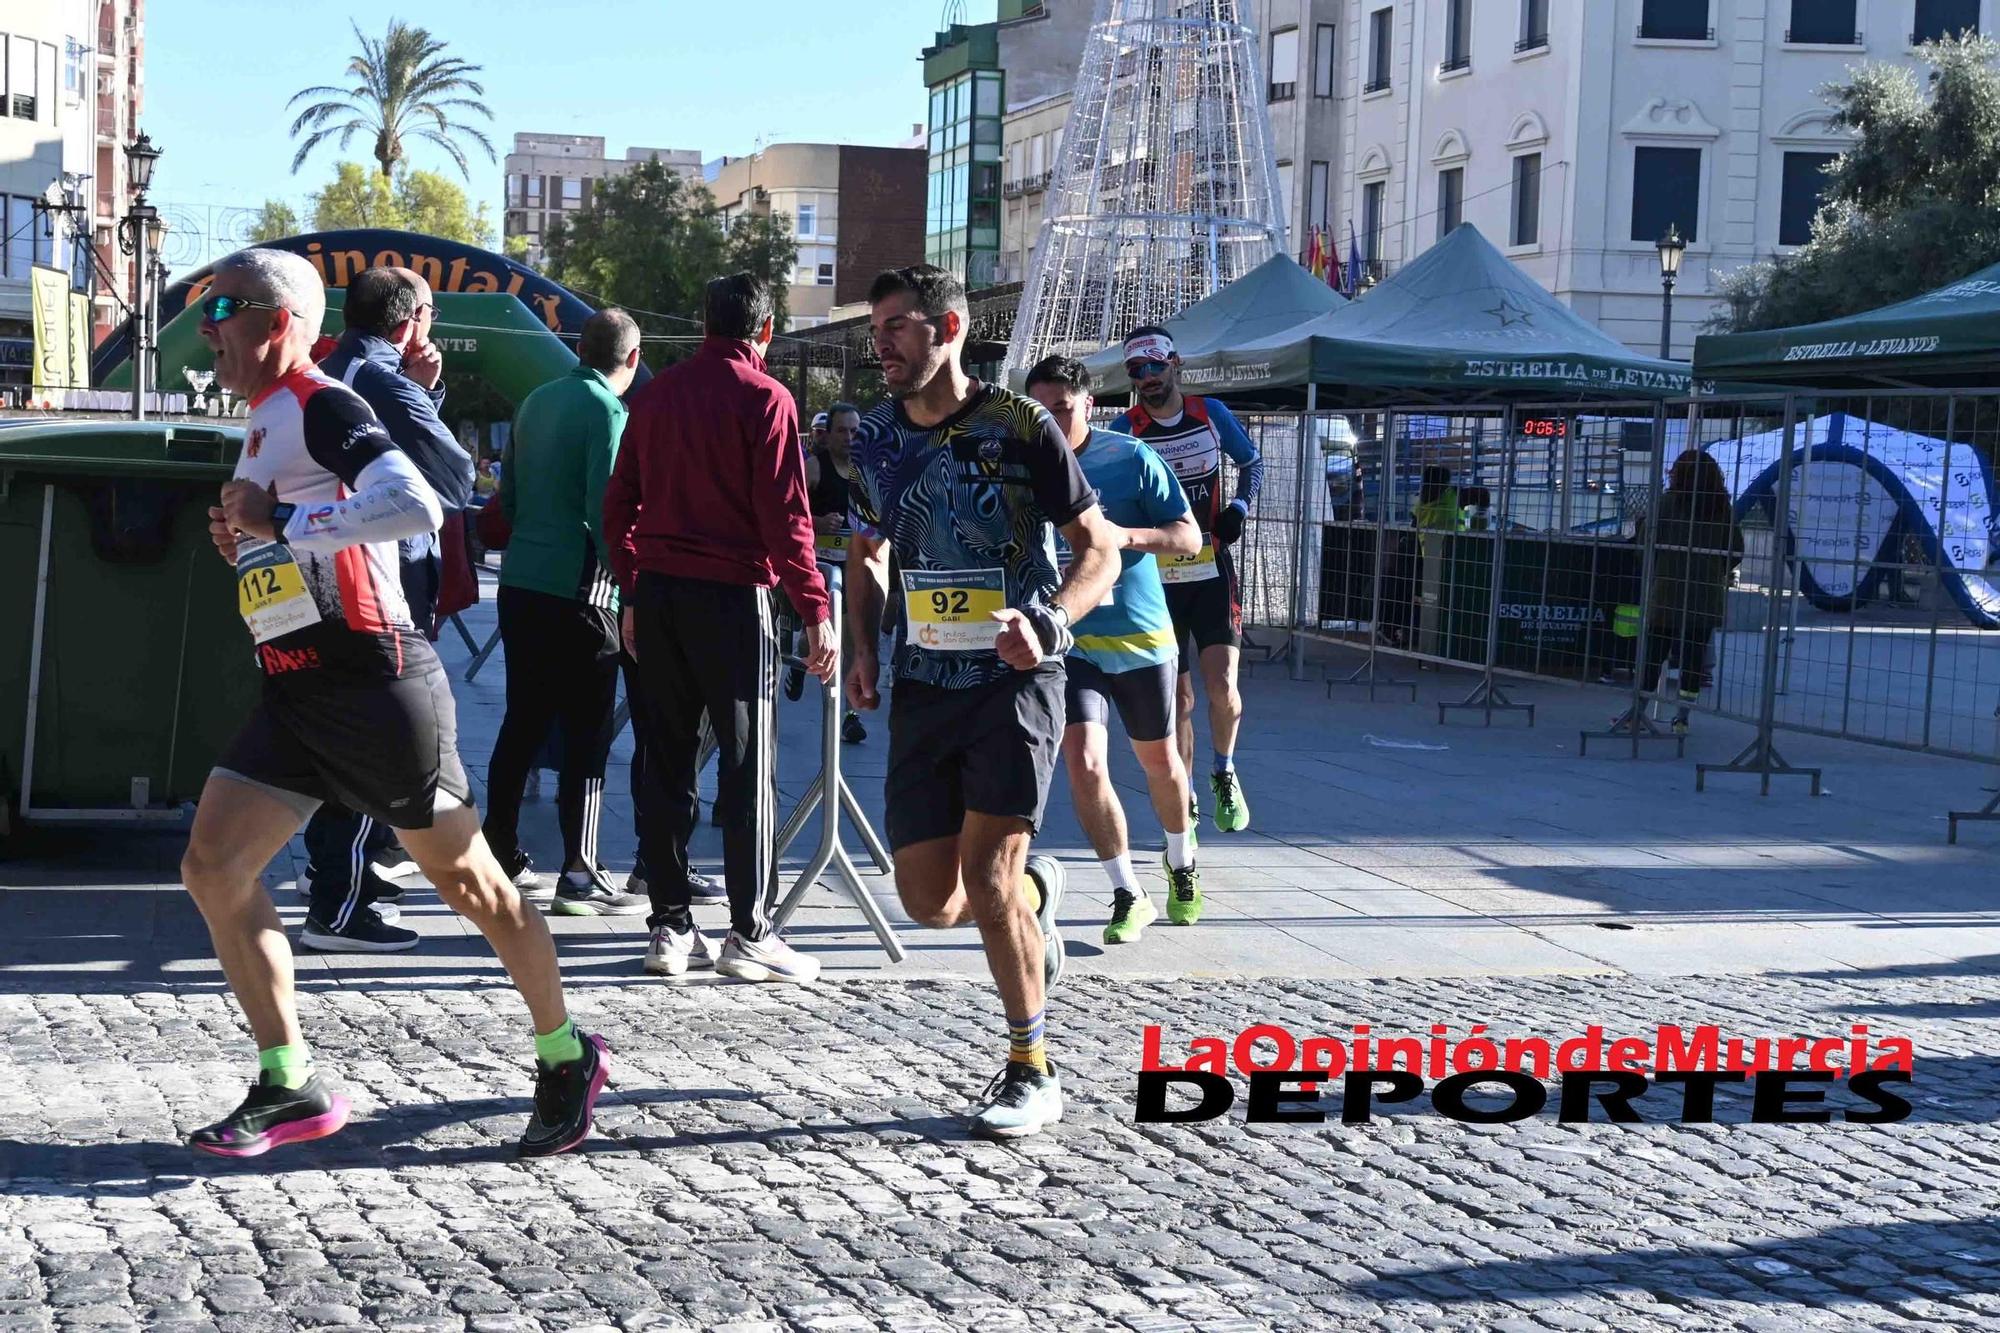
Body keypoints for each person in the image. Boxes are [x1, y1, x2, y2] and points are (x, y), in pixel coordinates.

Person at [184, 247, 606, 1160]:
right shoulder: (264, 416)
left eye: (224, 306)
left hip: (376, 681)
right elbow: (301, 534)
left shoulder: (321, 401)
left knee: (476, 887)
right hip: (296, 682)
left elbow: (413, 501)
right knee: (213, 868)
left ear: (278, 322)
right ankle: (288, 1079)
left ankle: (567, 1053)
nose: (208, 324)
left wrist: (282, 525)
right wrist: (251, 543)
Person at [845, 265, 1121, 1138]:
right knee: (928, 899)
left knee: (987, 875)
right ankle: (1039, 898)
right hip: (927, 681)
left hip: (1016, 679)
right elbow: (867, 552)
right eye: (876, 329)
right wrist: (862, 647)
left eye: (896, 326)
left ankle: (1030, 1066)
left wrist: (1047, 623)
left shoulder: (1020, 423)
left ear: (948, 327)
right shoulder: (877, 437)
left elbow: (1099, 552)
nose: (880, 344)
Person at [605, 273, 837, 982]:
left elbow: (618, 502)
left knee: (665, 762)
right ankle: (750, 929)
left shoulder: (656, 393)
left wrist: (633, 590)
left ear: (704, 321)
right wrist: (816, 607)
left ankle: (669, 926)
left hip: (663, 593)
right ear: (764, 330)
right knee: (747, 767)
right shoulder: (767, 398)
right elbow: (786, 515)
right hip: (735, 596)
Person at [296, 266, 476, 953]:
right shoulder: (381, 380)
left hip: (326, 578)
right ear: (410, 324)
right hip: (384, 583)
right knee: (378, 735)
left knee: (342, 728)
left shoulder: (328, 369)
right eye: (429, 317)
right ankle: (337, 904)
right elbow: (456, 476)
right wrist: (424, 391)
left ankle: (349, 879)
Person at [1024, 355, 1204, 941]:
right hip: (1072, 642)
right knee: (1085, 761)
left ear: (1088, 405)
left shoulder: (1129, 457)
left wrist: (1121, 537)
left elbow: (1189, 536)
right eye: (1040, 410)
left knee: (1159, 763)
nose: (1051, 421)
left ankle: (1181, 864)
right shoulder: (1026, 466)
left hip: (1142, 638)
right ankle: (1127, 891)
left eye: (1063, 408)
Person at [481, 309, 650, 915]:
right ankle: (579, 869)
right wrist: (631, 590)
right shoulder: (608, 411)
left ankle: (498, 846)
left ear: (580, 348)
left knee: (522, 718)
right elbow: (608, 512)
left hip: (521, 578)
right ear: (632, 359)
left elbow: (511, 497)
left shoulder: (535, 401)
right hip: (583, 593)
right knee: (587, 732)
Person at [1110, 327, 1263, 838]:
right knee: (1178, 701)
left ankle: (1223, 771)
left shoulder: (1209, 413)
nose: (1147, 380)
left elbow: (1252, 463)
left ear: (1175, 363)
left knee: (1222, 686)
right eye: (1136, 372)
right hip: (1157, 580)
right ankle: (1188, 797)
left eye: (1155, 367)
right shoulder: (1125, 426)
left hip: (1211, 568)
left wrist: (1238, 507)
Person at [787, 401, 869, 743]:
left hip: (854, 563)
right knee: (818, 629)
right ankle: (800, 656)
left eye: (855, 431)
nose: (850, 438)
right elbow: (790, 512)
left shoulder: (868, 470)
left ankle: (849, 714)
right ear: (827, 434)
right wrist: (819, 523)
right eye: (842, 431)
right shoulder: (814, 469)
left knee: (849, 633)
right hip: (819, 564)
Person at [1646, 450, 1743, 735]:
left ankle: (1636, 711)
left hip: (1667, 591)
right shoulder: (1722, 508)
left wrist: (1660, 567)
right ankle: (1683, 718)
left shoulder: (1665, 504)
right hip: (1705, 594)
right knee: (1693, 660)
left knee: (1653, 655)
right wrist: (1714, 569)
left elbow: (1648, 542)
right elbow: (1735, 549)